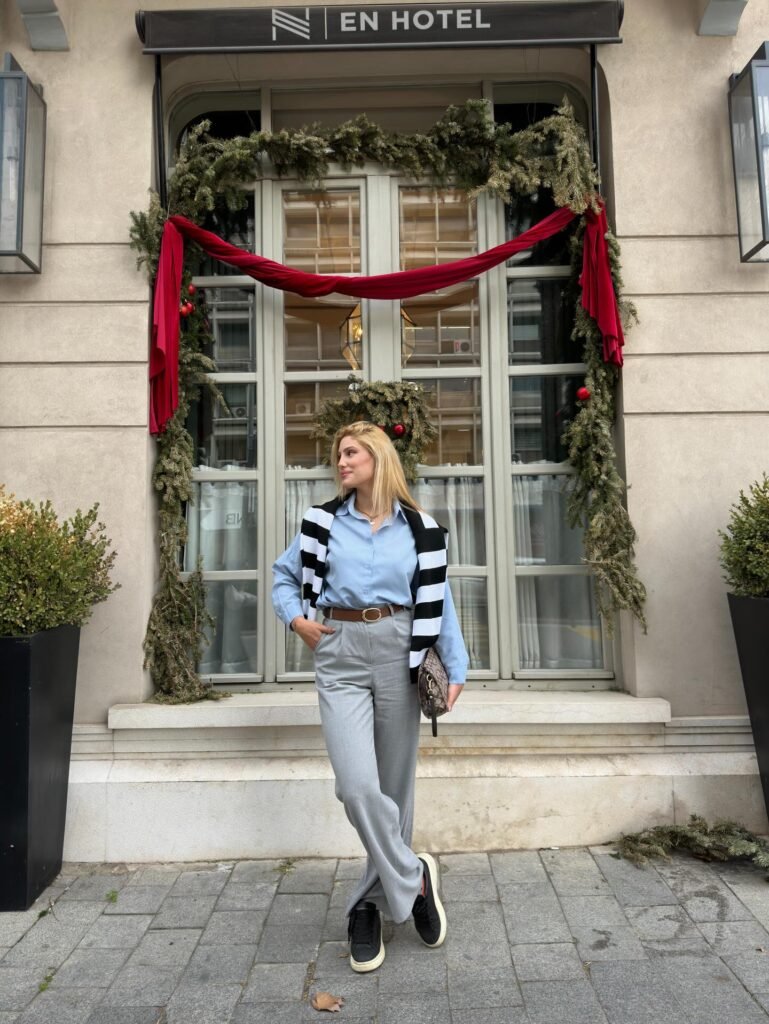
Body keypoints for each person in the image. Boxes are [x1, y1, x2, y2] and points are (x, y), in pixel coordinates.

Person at [272, 420, 468, 972]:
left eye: (351, 452)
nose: (341, 461)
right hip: (338, 651)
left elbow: (439, 599)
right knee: (358, 787)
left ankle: (368, 907)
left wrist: (457, 665)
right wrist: (297, 622)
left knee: (395, 790)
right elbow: (283, 578)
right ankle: (415, 878)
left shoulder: (421, 529)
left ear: (378, 459)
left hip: (400, 650)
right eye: (339, 454)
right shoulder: (321, 524)